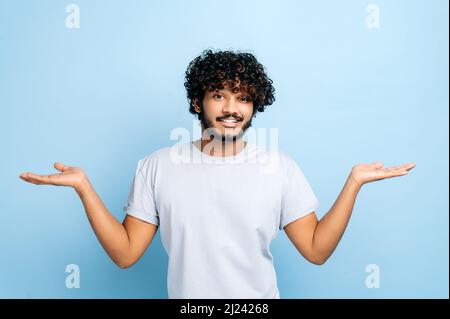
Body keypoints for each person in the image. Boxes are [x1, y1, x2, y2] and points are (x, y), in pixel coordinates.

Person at [19, 49, 416, 299]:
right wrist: (84, 188)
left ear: (254, 107)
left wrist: (353, 184)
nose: (232, 107)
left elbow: (315, 250)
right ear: (199, 102)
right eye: (219, 95)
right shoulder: (157, 165)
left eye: (243, 97)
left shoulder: (279, 167)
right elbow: (125, 254)